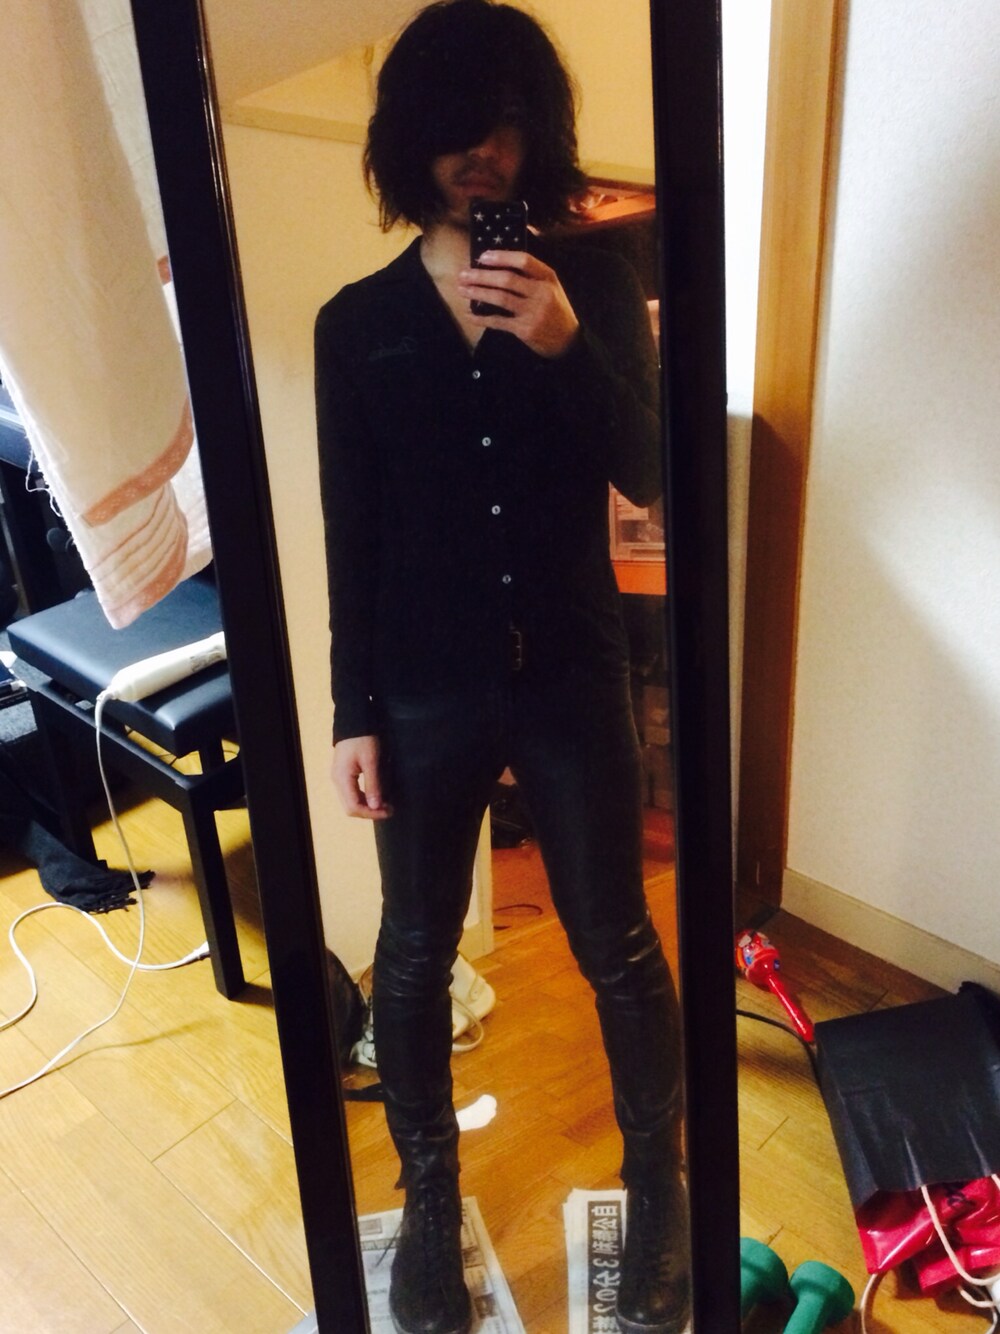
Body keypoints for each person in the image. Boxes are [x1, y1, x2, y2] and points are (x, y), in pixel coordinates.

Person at [315, 4, 688, 1331]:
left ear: (541, 136)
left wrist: (566, 345)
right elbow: (351, 535)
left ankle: (659, 1195)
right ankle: (431, 1204)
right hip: (421, 688)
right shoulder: (355, 326)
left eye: (510, 125)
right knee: (413, 957)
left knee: (619, 945)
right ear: (411, 139)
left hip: (574, 673)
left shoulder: (592, 289)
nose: (485, 152)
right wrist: (354, 711)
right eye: (459, 127)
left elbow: (653, 474)